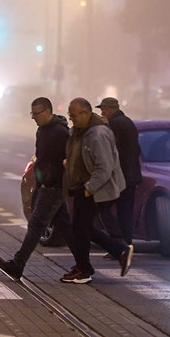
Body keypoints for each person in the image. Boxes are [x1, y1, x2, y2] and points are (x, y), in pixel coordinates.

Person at [0, 97, 74, 280]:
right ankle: (87, 264)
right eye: (32, 113)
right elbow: (41, 159)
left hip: (54, 186)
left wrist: (49, 181)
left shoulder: (60, 133)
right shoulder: (42, 130)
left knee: (36, 225)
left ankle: (18, 264)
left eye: (36, 113)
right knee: (66, 227)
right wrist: (39, 181)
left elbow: (62, 162)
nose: (33, 117)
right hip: (46, 184)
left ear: (47, 111)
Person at [61, 98, 126, 284]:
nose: (71, 119)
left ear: (86, 113)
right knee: (82, 228)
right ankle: (118, 251)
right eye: (70, 115)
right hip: (82, 186)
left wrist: (89, 189)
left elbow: (104, 168)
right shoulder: (78, 132)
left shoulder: (98, 134)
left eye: (74, 115)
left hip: (93, 188)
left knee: (80, 230)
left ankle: (84, 269)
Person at [92, 97, 142, 275]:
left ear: (109, 109)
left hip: (120, 177)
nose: (102, 113)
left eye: (103, 109)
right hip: (132, 176)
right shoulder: (128, 122)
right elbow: (136, 150)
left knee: (102, 208)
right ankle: (127, 245)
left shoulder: (114, 124)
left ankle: (118, 244)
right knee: (125, 212)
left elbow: (112, 151)